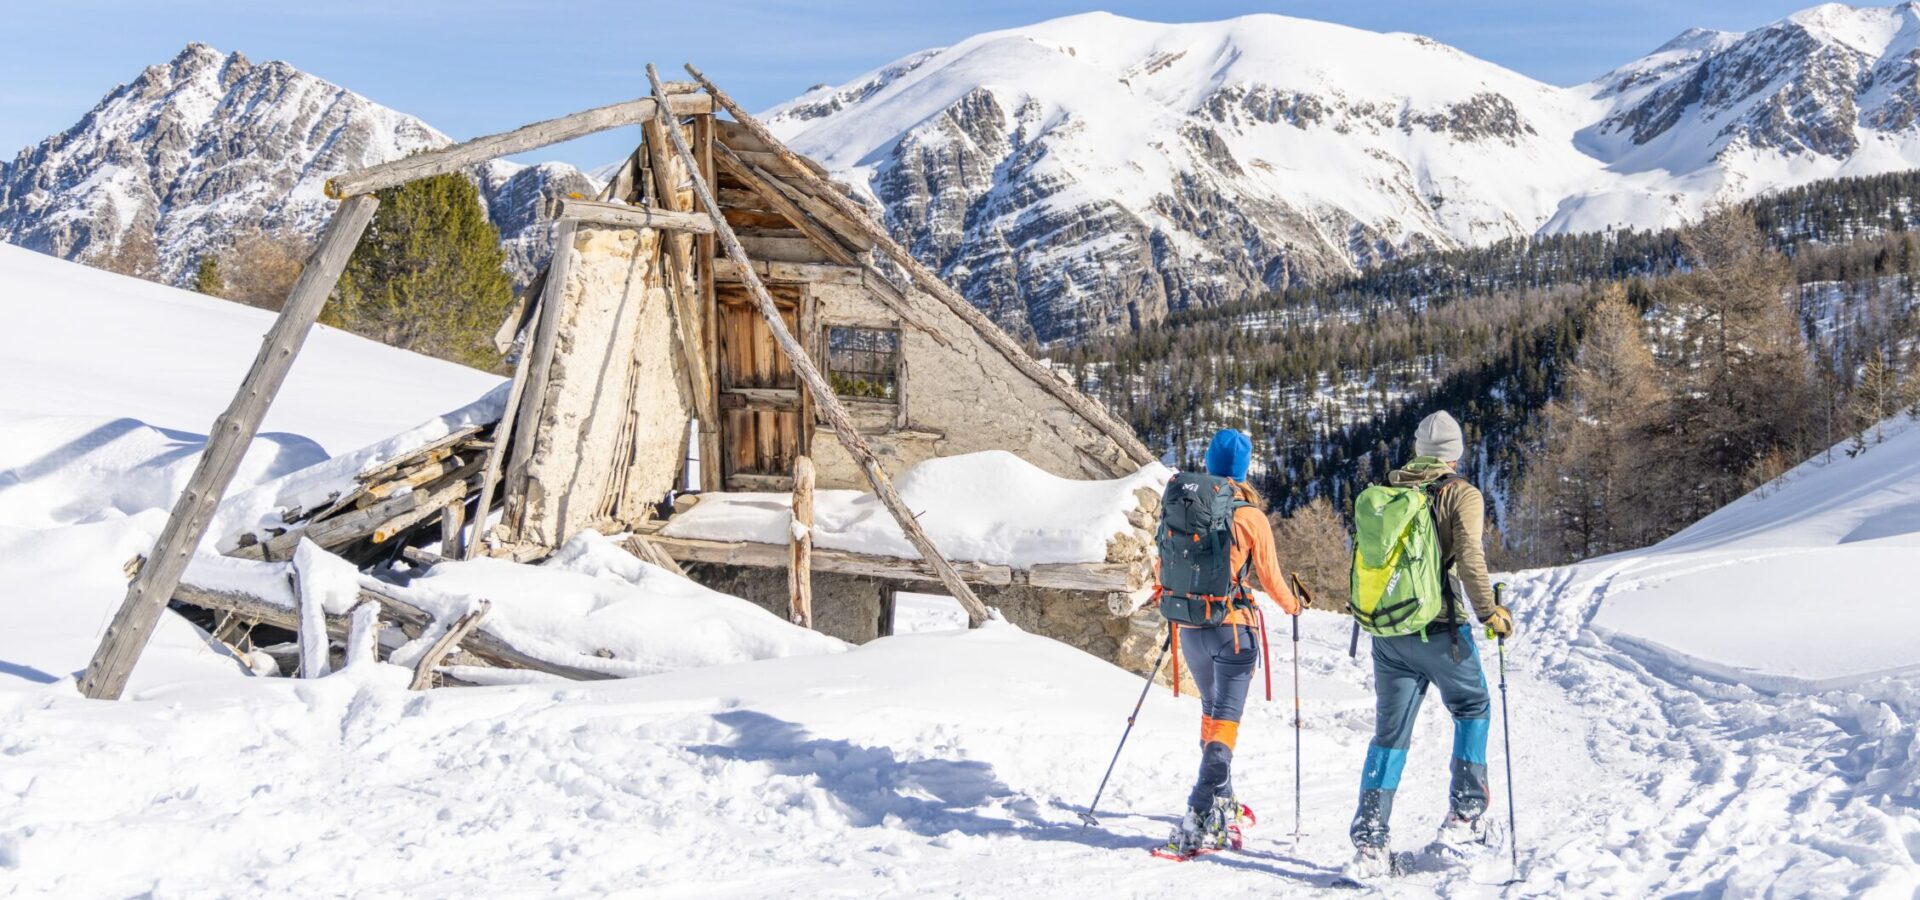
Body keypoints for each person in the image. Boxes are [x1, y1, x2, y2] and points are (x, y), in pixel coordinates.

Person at [1344, 411, 1516, 880]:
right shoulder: (1461, 493)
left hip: (1388, 635)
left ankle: (1370, 847)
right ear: (1456, 453)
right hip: (1441, 631)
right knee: (1472, 706)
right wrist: (1490, 614)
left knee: (1389, 734)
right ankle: (1464, 819)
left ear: (1420, 451)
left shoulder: (1391, 493)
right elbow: (1472, 560)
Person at [1164, 428, 1303, 857]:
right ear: (1243, 470)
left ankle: (1222, 804)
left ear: (1208, 463)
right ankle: (1198, 811)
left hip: (1189, 629)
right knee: (1225, 723)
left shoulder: (1181, 505)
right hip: (1234, 631)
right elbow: (1271, 578)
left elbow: (1164, 562)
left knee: (1211, 718)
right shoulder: (1250, 517)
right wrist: (1295, 605)